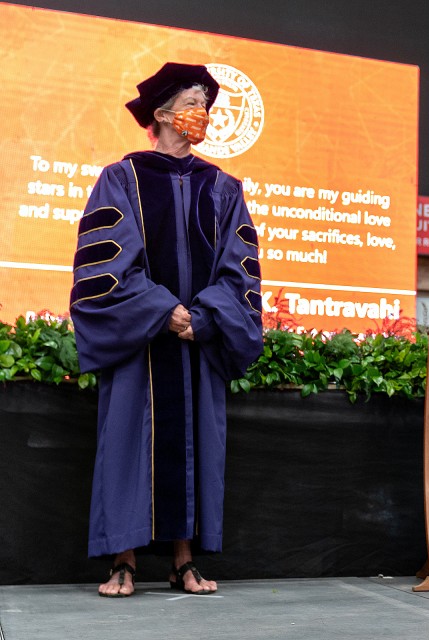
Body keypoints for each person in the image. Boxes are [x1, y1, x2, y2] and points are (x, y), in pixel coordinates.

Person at [70, 62, 264, 597]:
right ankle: (124, 562)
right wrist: (161, 309)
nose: (202, 112)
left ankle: (184, 561)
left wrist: (202, 318)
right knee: (128, 443)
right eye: (192, 102)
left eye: (206, 102)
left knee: (195, 445)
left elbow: (239, 268)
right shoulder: (122, 178)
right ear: (162, 115)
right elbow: (104, 266)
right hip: (140, 341)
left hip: (195, 343)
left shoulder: (223, 188)